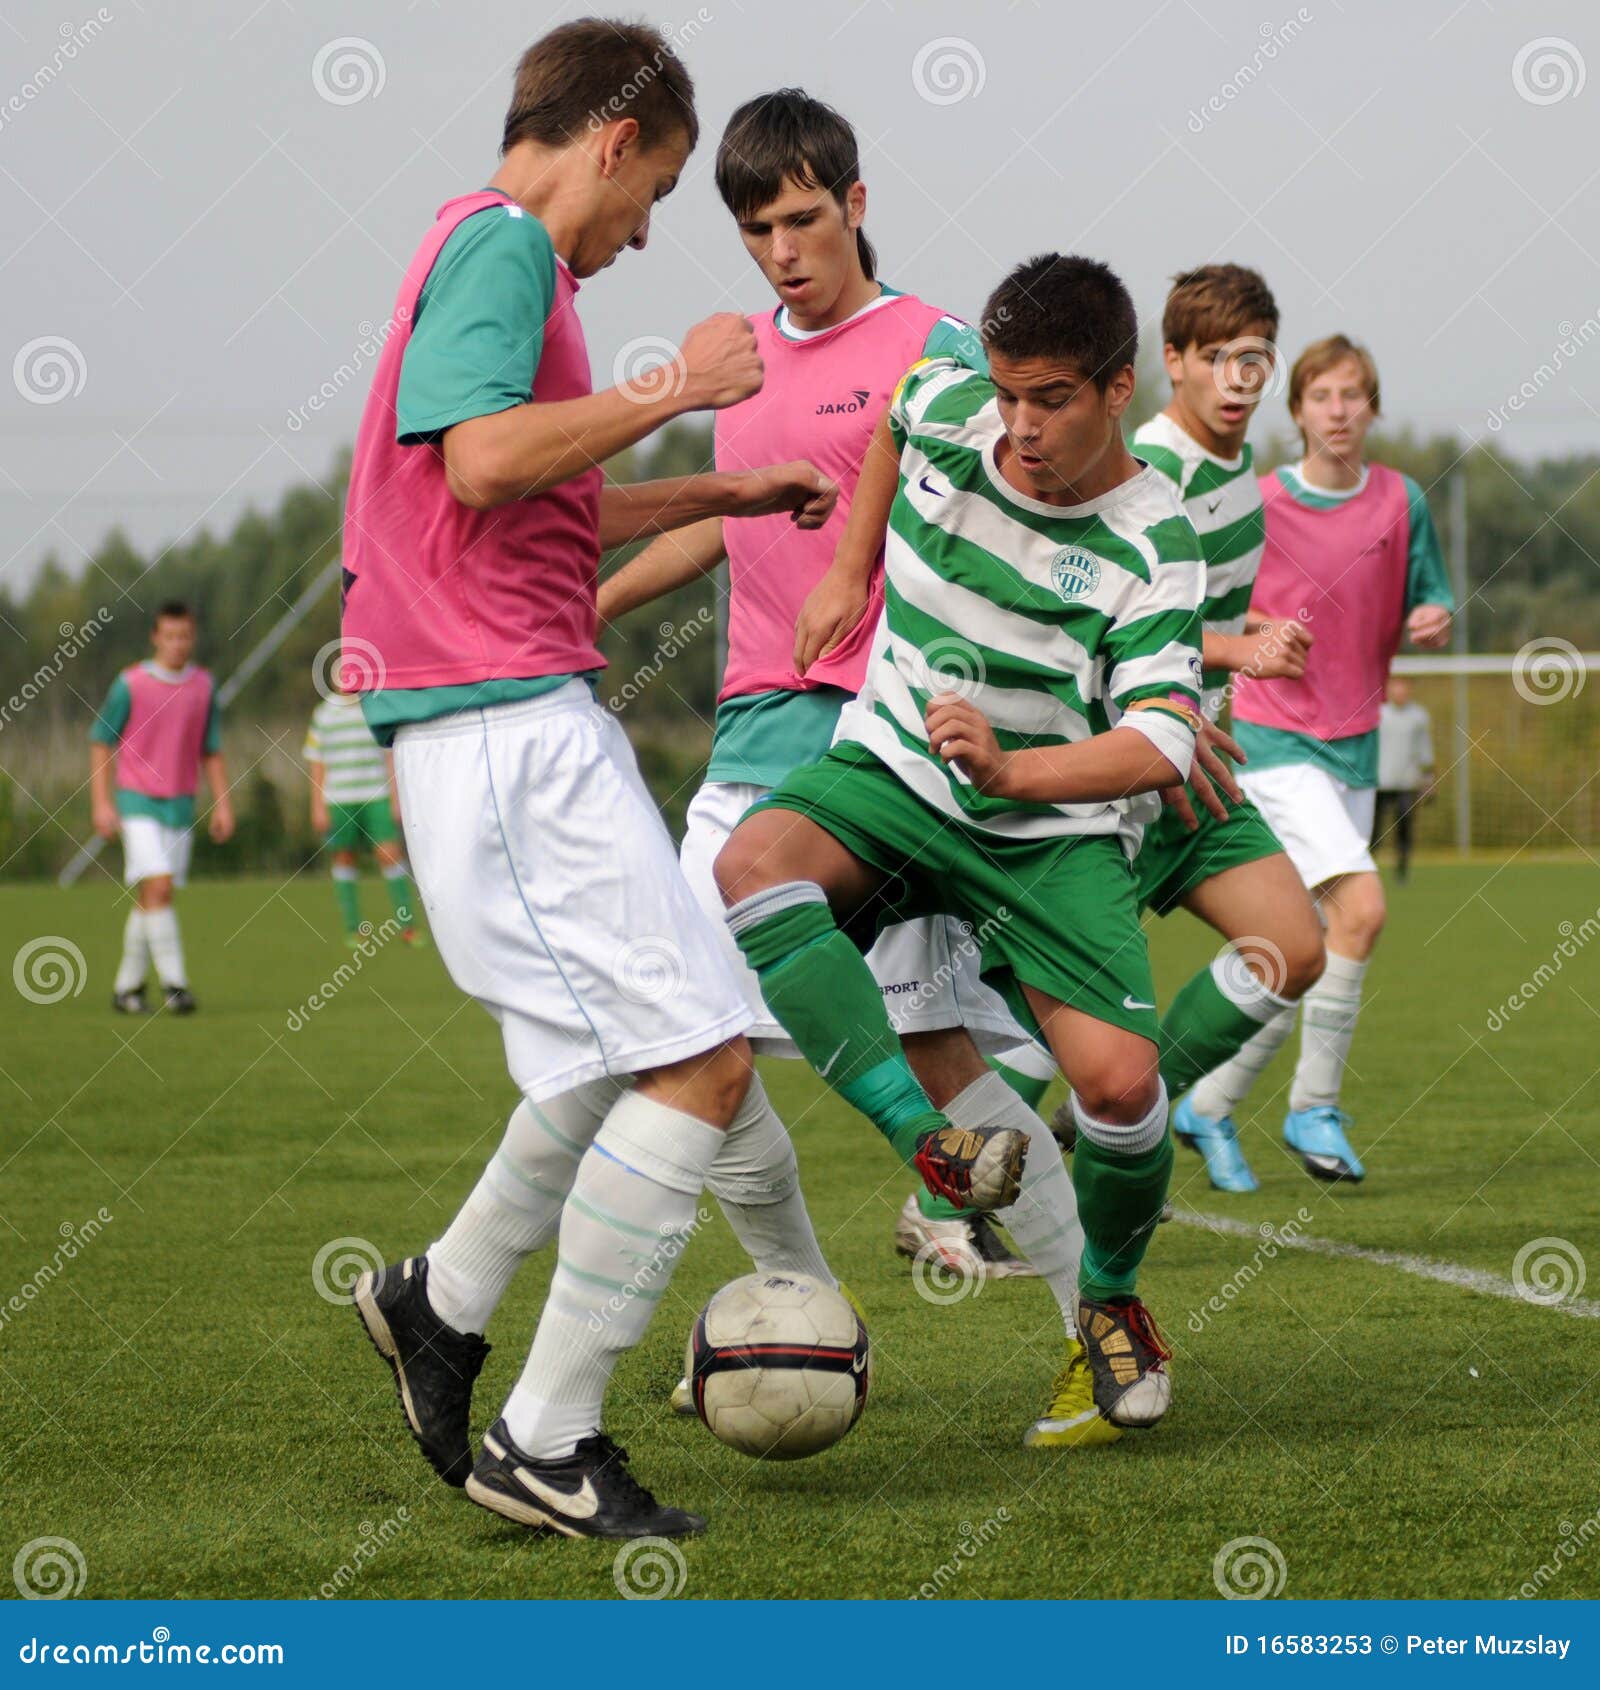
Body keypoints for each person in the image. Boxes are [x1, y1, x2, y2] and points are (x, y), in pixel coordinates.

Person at [340, 19, 847, 1542]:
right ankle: (548, 1436)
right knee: (697, 1062)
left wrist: (726, 488)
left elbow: (533, 487)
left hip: (498, 716)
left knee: (607, 1060)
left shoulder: (486, 253)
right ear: (614, 140)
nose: (644, 234)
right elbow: (492, 462)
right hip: (502, 723)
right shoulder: (505, 248)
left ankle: (443, 1300)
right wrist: (680, 387)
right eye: (663, 188)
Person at [598, 90, 1119, 1449]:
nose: (783, 247)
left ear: (857, 204)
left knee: (938, 1046)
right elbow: (724, 530)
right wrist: (581, 608)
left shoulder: (937, 346)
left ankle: (1096, 1330)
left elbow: (1027, 525)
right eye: (758, 225)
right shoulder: (736, 367)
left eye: (805, 217)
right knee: (684, 1050)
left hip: (884, 740)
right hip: (748, 735)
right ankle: (804, 1318)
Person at [716, 253, 1217, 1431]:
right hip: (893, 769)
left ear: (1117, 388)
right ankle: (932, 1148)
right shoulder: (945, 403)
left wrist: (1011, 768)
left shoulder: (1156, 541)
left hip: (1046, 826)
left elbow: (1159, 742)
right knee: (753, 866)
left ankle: (1108, 1301)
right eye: (1007, 394)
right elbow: (895, 422)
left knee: (1122, 1087)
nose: (1021, 425)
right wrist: (849, 565)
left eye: (1050, 398)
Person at [1184, 334, 1454, 1184]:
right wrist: (1247, 640)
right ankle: (1313, 1111)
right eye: (1322, 396)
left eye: (1353, 396)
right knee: (1362, 910)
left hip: (1356, 748)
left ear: (1371, 407)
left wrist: (1434, 616)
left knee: (1296, 945)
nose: (1338, 411)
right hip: (1270, 742)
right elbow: (1199, 604)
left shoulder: (1402, 501)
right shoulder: (1258, 503)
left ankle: (1206, 1104)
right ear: (1297, 410)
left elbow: (1431, 590)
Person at [1119, 266, 1326, 1194]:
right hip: (1118, 777)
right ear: (1174, 362)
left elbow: (1206, 620)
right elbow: (1111, 626)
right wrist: (1242, 649)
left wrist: (1247, 642)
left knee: (1293, 944)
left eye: (1256, 358)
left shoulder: (1241, 468)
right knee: (1045, 1019)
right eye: (1217, 359)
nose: (1240, 378)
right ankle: (946, 1205)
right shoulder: (1146, 472)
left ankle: (1129, 1118)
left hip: (1200, 773)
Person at [90, 600, 234, 1014]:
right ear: (155, 637)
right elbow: (101, 739)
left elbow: (212, 750)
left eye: (185, 636)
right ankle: (176, 985)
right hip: (136, 801)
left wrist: (223, 803)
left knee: (153, 895)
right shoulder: (129, 684)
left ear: (194, 637)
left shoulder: (204, 686)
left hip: (181, 805)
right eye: (169, 636)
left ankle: (127, 989)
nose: (177, 644)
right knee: (160, 885)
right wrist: (102, 802)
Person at [303, 677, 424, 948]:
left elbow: (389, 755)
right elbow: (317, 762)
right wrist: (317, 805)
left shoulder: (374, 708)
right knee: (345, 860)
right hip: (339, 800)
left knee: (390, 855)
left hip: (376, 796)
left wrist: (395, 799)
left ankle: (407, 926)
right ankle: (353, 930)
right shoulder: (323, 714)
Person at [1374, 675, 1434, 882]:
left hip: (1407, 782)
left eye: (1404, 687)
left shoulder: (1418, 716)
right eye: (1396, 686)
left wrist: (1428, 779)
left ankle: (1402, 870)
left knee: (1405, 827)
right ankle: (1368, 871)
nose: (1400, 691)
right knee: (1373, 831)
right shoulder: (1377, 712)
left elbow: (1425, 750)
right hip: (1379, 782)